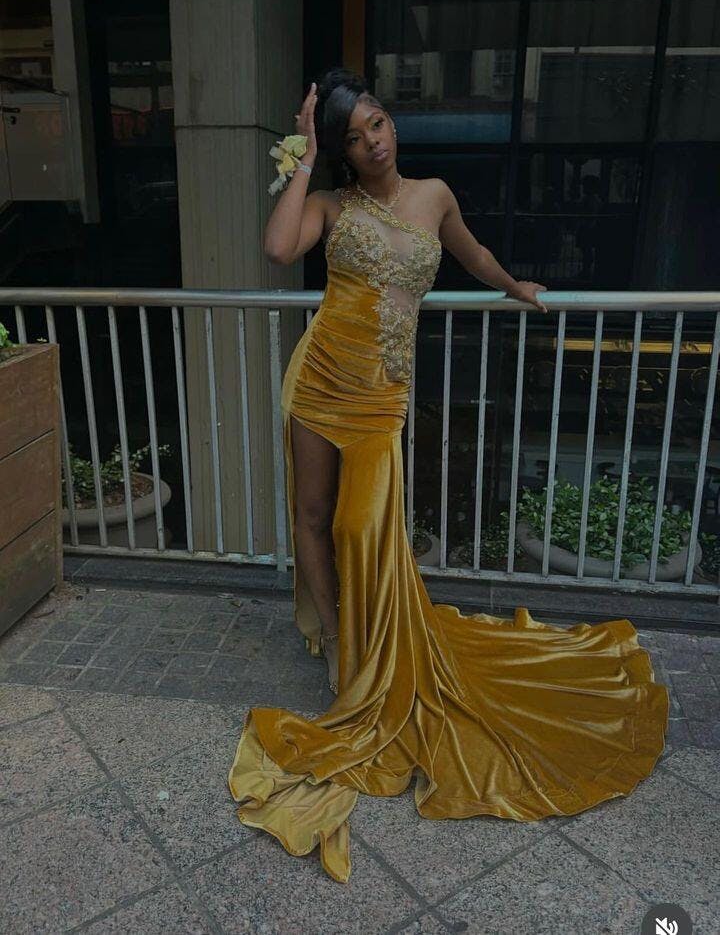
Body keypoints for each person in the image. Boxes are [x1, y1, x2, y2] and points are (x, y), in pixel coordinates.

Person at [227, 67, 668, 883]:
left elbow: (475, 254)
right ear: (343, 150)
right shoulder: (332, 205)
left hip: (380, 400)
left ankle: (375, 655)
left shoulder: (434, 196)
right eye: (354, 136)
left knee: (360, 524)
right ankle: (339, 645)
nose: (373, 142)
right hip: (320, 380)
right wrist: (304, 154)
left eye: (377, 124)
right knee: (312, 516)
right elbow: (279, 247)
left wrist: (515, 286)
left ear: (393, 124)